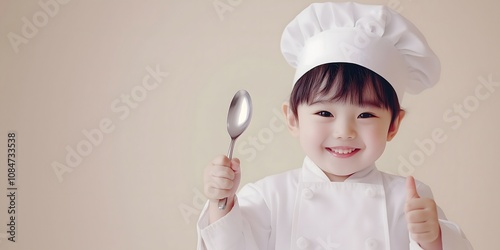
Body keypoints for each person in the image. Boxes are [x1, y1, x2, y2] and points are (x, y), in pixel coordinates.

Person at [197, 2, 473, 249]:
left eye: (365, 115)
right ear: (293, 118)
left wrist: (432, 240)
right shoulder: (270, 196)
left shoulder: (409, 198)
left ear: (393, 125)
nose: (344, 131)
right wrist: (221, 202)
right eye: (325, 112)